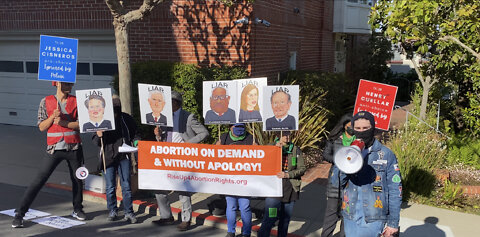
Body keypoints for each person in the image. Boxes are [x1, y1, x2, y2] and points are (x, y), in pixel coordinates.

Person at [12, 81, 86, 228]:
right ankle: (20, 214)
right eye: (66, 84)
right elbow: (41, 127)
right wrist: (52, 117)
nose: (70, 86)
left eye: (71, 84)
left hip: (74, 147)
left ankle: (77, 209)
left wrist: (64, 123)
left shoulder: (77, 101)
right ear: (57, 84)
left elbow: (82, 124)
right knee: (39, 181)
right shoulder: (45, 101)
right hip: (54, 149)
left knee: (77, 180)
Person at [152, 91, 209, 231]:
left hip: (182, 157)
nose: (165, 105)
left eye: (169, 103)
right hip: (167, 156)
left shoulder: (188, 117)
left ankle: (186, 219)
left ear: (176, 103)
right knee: (160, 188)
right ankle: (167, 216)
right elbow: (163, 138)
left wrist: (189, 143)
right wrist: (158, 136)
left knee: (182, 189)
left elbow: (204, 133)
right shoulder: (163, 117)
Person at [339, 111, 402, 237]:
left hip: (374, 217)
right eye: (358, 128)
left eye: (365, 128)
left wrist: (393, 223)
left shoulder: (386, 154)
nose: (361, 131)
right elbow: (337, 182)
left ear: (372, 128)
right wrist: (346, 162)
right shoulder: (346, 152)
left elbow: (395, 190)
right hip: (350, 215)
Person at [92, 95, 138, 224]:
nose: (115, 113)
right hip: (107, 156)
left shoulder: (126, 119)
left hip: (124, 156)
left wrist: (136, 143)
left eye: (117, 109)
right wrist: (98, 134)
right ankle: (113, 210)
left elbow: (135, 134)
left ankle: (129, 212)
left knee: (126, 186)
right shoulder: (101, 119)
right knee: (110, 186)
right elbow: (95, 141)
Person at [258, 131, 305, 237]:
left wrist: (288, 175)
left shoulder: (295, 149)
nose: (287, 137)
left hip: (290, 189)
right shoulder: (270, 147)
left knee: (285, 220)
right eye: (284, 135)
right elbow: (262, 162)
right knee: (270, 218)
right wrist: (274, 149)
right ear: (278, 135)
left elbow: (302, 169)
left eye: (289, 134)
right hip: (274, 191)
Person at [216, 123, 254, 237]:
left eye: (241, 126)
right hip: (229, 179)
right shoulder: (223, 138)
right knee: (231, 206)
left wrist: (258, 148)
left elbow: (260, 156)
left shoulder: (250, 138)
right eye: (235, 126)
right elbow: (212, 156)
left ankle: (246, 232)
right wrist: (216, 147)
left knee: (245, 206)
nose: (239, 129)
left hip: (245, 178)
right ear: (230, 127)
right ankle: (231, 231)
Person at [320, 114, 354, 237]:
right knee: (331, 214)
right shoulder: (335, 139)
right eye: (350, 125)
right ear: (344, 126)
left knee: (347, 214)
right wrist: (339, 159)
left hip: (352, 183)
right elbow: (326, 155)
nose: (352, 128)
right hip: (336, 180)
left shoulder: (359, 141)